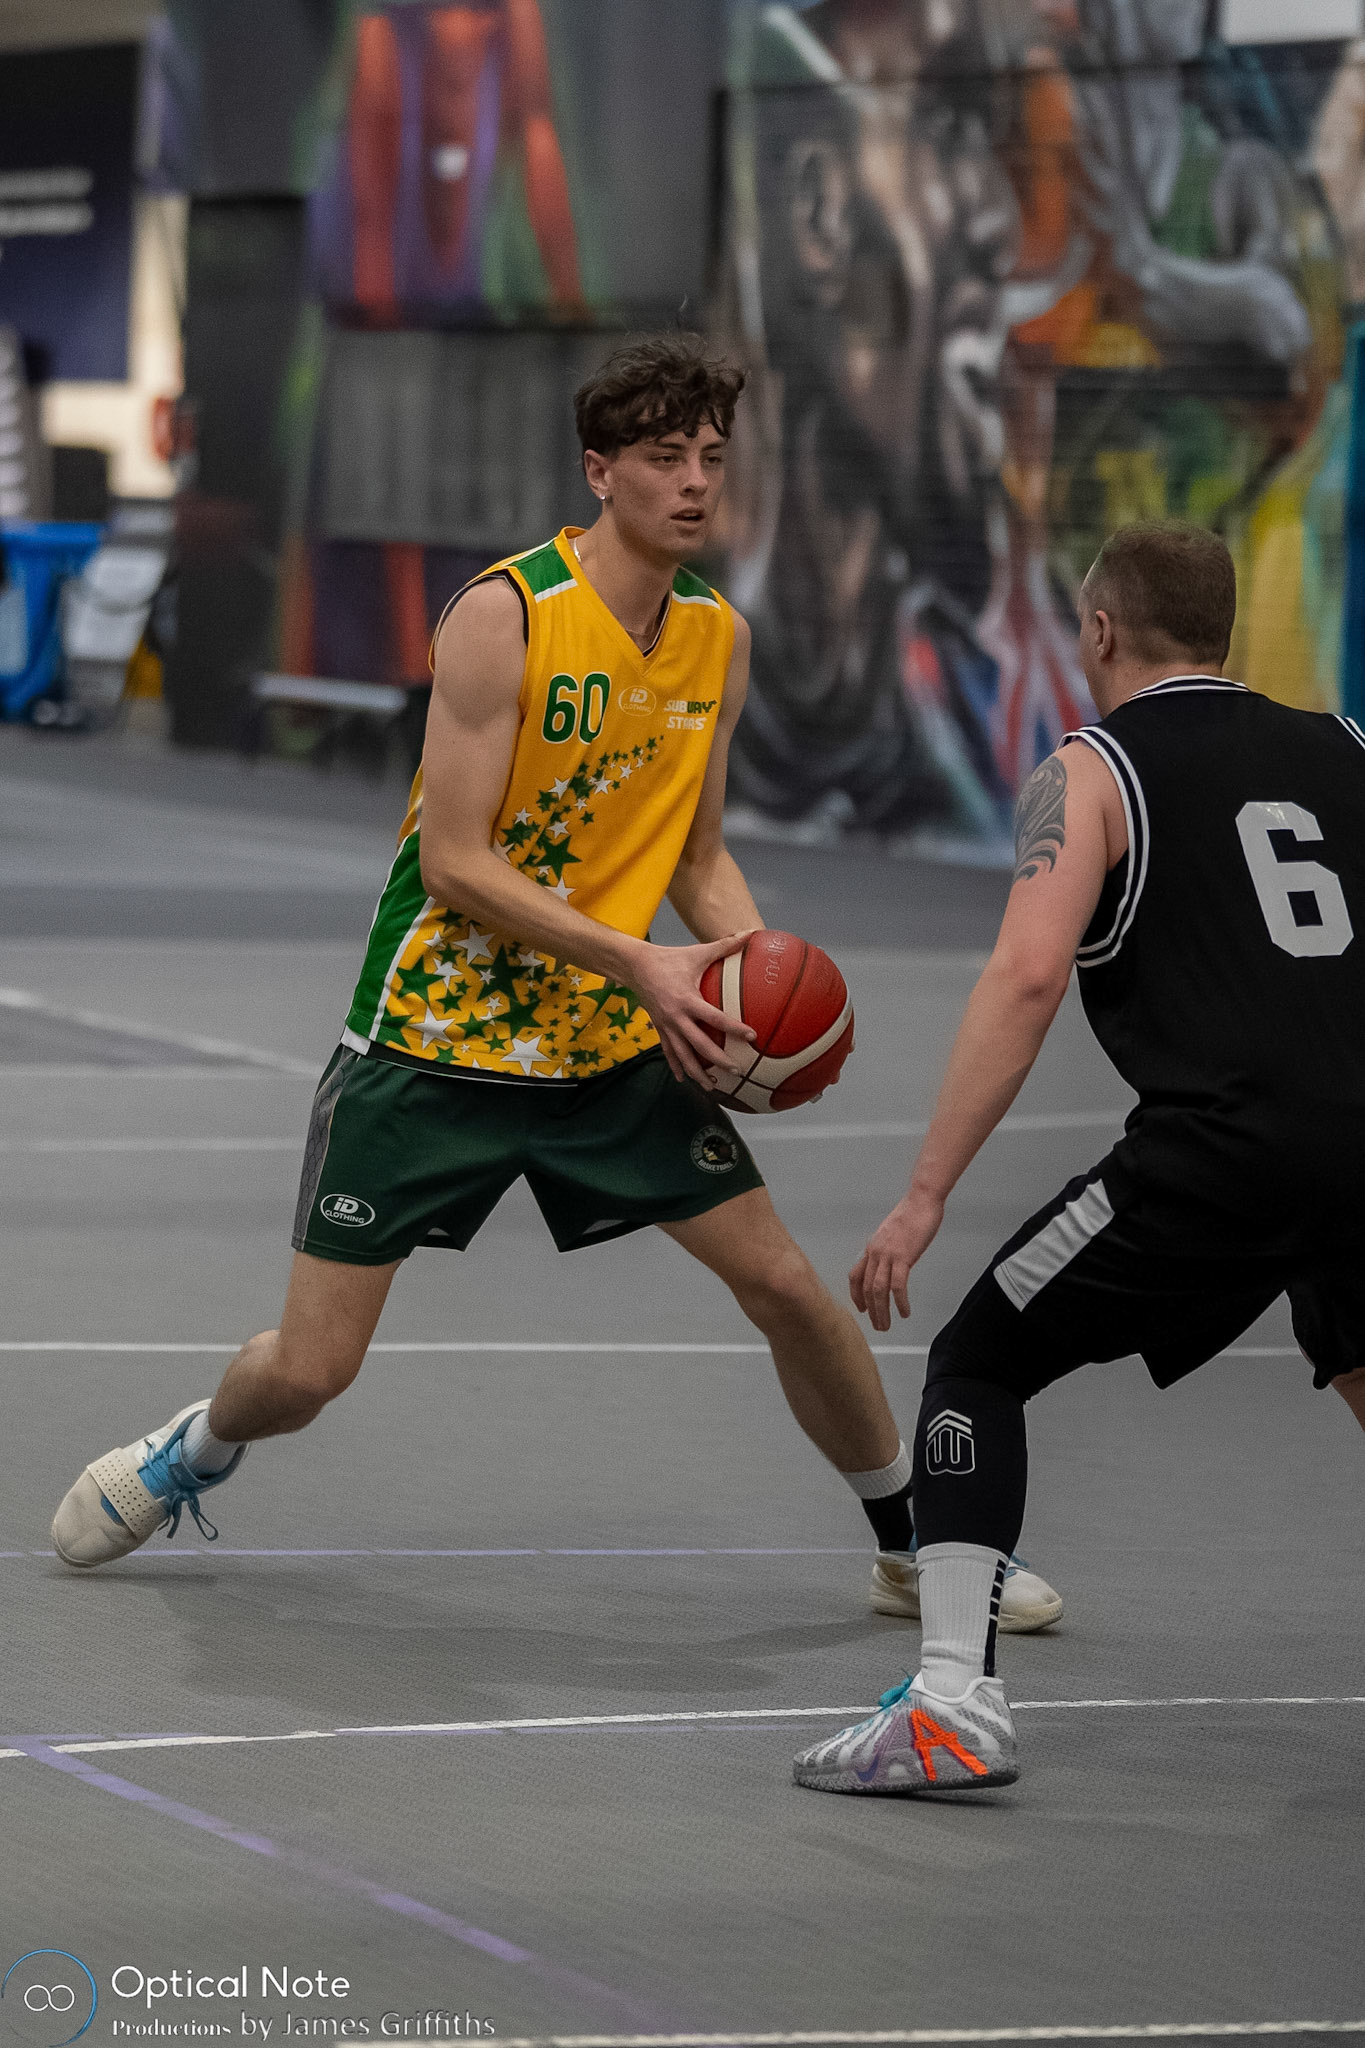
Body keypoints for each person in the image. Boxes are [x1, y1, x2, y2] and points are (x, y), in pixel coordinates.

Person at [48, 333, 1061, 1632]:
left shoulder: (716, 638)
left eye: (710, 457)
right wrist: (643, 960)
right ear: (599, 469)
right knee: (310, 1372)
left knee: (784, 1287)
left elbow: (695, 851)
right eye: (664, 457)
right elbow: (457, 862)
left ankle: (913, 1547)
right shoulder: (507, 613)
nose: (694, 482)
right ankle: (195, 1449)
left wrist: (752, 983)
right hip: (433, 1042)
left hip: (606, 1049)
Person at [793, 520, 1365, 1795]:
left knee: (977, 1362)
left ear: (1099, 629)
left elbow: (1027, 975)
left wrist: (926, 1192)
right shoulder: (1348, 746)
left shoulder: (1091, 768)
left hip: (1223, 1148)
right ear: (1225, 630)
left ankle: (952, 1703)